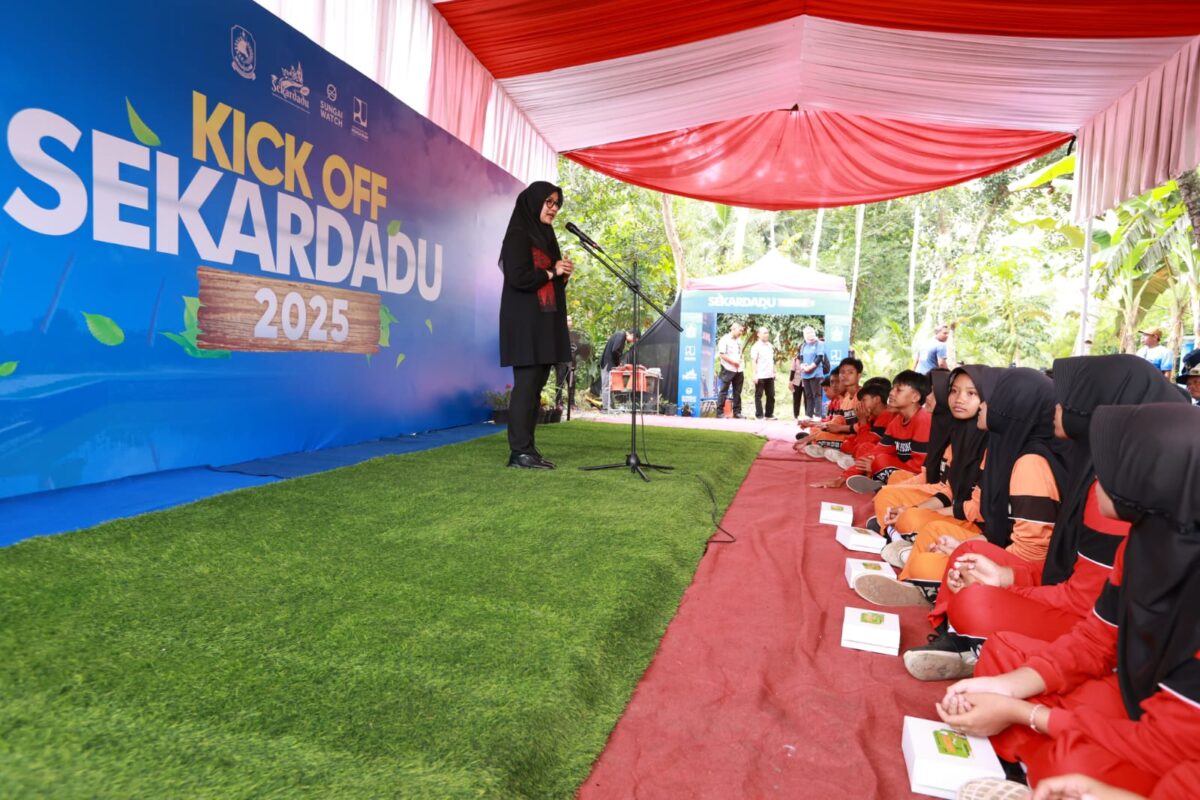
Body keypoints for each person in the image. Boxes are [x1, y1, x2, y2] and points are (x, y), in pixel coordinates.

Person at [934, 403, 1200, 798]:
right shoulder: (1141, 545)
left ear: (1154, 476)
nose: (1097, 475)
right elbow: (1096, 639)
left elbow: (1170, 743)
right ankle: (1030, 765)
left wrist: (1024, 712)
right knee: (1007, 664)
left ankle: (1034, 763)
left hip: (1181, 748)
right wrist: (1005, 689)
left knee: (1073, 761)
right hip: (1138, 697)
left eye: (1113, 465)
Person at [903, 355, 1185, 681]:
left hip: (1102, 636)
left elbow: (1085, 605)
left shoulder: (1111, 494)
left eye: (1066, 400)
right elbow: (1061, 572)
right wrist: (1001, 576)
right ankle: (968, 637)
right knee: (968, 561)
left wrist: (1005, 582)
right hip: (1076, 608)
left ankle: (971, 637)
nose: (1054, 408)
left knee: (975, 600)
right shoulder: (1089, 470)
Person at [498, 181, 573, 469]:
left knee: (535, 387)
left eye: (557, 203)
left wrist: (561, 276)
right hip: (524, 324)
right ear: (533, 202)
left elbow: (546, 281)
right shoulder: (518, 234)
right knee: (526, 386)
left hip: (543, 323)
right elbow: (518, 277)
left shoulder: (546, 235)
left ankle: (528, 449)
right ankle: (519, 452)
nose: (554, 208)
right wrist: (552, 271)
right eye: (549, 202)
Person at [845, 369, 933, 493]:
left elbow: (919, 467)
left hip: (921, 476)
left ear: (915, 397)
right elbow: (878, 451)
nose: (891, 393)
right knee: (878, 457)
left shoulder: (924, 420)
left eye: (898, 390)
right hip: (901, 471)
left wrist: (877, 466)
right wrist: (845, 476)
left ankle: (884, 485)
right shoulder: (897, 421)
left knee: (881, 463)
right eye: (892, 388)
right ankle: (883, 484)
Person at [599, 329, 636, 411]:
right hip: (607, 363)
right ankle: (605, 408)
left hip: (610, 363)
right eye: (634, 340)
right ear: (632, 335)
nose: (632, 342)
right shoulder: (621, 335)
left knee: (609, 386)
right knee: (606, 386)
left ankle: (610, 406)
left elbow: (616, 350)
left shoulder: (621, 335)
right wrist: (618, 362)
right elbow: (615, 350)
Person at [797, 326, 828, 419]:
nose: (810, 334)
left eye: (811, 332)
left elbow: (819, 357)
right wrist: (802, 366)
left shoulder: (820, 344)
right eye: (807, 333)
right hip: (805, 374)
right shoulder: (803, 345)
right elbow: (801, 358)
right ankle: (808, 415)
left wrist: (810, 367)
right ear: (804, 335)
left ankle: (818, 415)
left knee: (817, 395)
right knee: (808, 395)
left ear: (814, 333)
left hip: (816, 374)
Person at [716, 322, 746, 418]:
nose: (741, 333)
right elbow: (722, 355)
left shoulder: (739, 340)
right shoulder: (724, 339)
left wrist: (740, 363)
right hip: (728, 369)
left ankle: (737, 412)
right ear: (733, 329)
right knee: (723, 391)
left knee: (737, 392)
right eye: (740, 330)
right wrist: (733, 362)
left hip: (739, 369)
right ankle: (719, 412)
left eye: (742, 331)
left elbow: (740, 353)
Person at [750, 326, 776, 420]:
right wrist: (754, 375)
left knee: (771, 395)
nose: (766, 335)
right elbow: (754, 361)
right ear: (758, 334)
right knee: (758, 396)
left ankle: (769, 414)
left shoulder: (770, 345)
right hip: (760, 375)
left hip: (770, 375)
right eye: (764, 333)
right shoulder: (756, 346)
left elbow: (772, 360)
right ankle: (759, 415)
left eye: (767, 333)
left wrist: (774, 372)